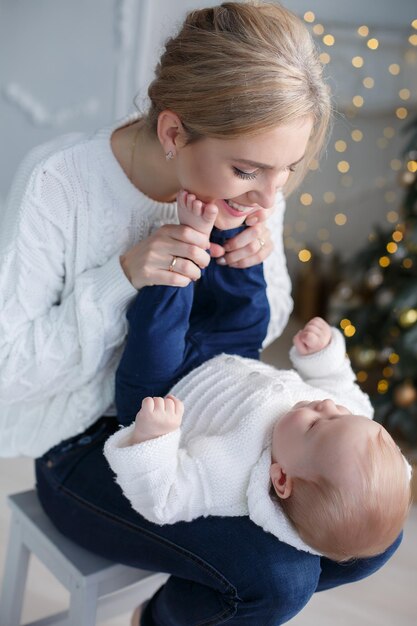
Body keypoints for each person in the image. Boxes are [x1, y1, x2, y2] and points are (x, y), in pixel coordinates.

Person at [0, 2, 404, 624]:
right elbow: (9, 369)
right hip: (92, 444)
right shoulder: (60, 186)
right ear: (171, 132)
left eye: (287, 171)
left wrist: (255, 260)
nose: (270, 195)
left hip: (218, 415)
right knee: (281, 578)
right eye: (248, 171)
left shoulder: (256, 183)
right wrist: (124, 278)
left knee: (371, 540)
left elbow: (253, 337)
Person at [104, 193, 411, 569]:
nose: (325, 405)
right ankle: (235, 230)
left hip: (166, 385)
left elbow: (164, 498)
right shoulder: (348, 418)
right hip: (232, 354)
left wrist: (154, 438)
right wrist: (323, 353)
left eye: (316, 425)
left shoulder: (230, 479)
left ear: (281, 479)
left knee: (158, 332)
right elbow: (338, 383)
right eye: (340, 413)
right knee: (251, 313)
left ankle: (189, 241)